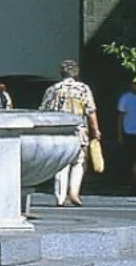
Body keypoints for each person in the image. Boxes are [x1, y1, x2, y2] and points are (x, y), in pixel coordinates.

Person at [41, 60, 98, 207]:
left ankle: (60, 197)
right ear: (76, 72)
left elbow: (43, 111)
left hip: (59, 130)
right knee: (79, 161)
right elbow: (90, 110)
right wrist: (95, 130)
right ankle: (74, 192)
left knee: (61, 164)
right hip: (79, 129)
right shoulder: (83, 89)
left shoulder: (53, 89)